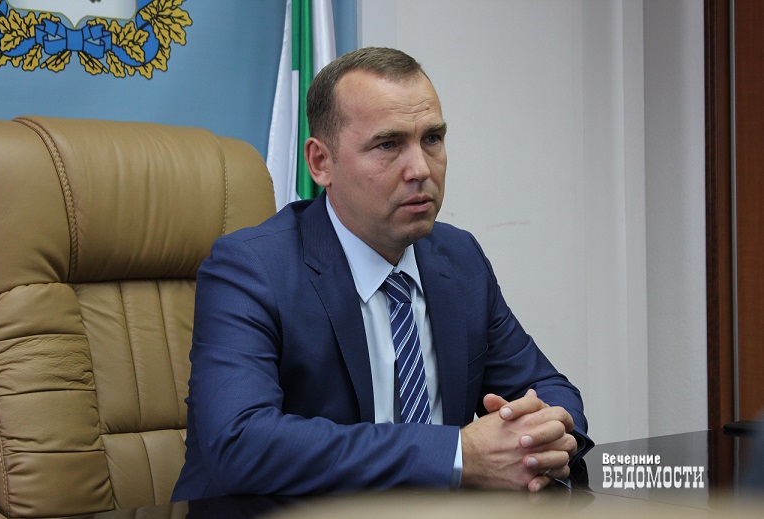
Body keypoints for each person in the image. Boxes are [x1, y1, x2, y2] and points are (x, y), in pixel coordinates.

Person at [172, 47, 592, 501]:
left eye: (432, 139)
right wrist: (456, 455)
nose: (421, 169)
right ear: (321, 163)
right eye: (388, 145)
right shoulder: (250, 270)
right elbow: (241, 443)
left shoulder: (458, 258)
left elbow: (549, 389)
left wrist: (545, 436)